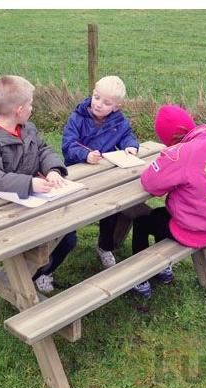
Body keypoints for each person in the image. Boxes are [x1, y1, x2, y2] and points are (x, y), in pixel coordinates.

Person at [0, 75, 76, 293]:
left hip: (35, 204)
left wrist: (52, 169)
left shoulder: (28, 129)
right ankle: (24, 281)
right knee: (39, 244)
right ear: (19, 109)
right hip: (5, 213)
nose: (32, 108)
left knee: (68, 238)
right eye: (31, 104)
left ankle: (40, 273)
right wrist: (29, 183)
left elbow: (43, 150)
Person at [130, 104, 206, 298]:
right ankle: (163, 269)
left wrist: (166, 157)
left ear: (169, 139)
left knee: (142, 221)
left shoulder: (180, 154)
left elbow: (150, 183)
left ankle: (140, 278)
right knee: (159, 216)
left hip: (192, 230)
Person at [61, 75, 140, 268]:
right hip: (76, 174)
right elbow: (68, 145)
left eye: (106, 102)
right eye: (96, 97)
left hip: (104, 176)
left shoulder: (119, 122)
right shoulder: (77, 117)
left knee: (112, 209)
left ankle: (105, 247)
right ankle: (59, 248)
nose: (98, 104)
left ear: (116, 106)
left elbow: (127, 136)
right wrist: (85, 154)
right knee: (69, 213)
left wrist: (131, 146)